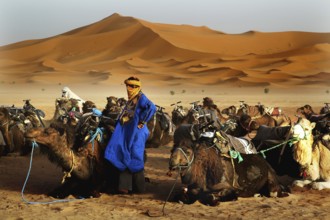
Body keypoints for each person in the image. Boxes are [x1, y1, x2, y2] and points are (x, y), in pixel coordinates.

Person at [104, 76, 156, 194]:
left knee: (134, 157)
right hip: (127, 132)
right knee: (123, 154)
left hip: (136, 134)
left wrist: (143, 121)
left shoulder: (141, 98)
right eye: (127, 86)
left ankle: (139, 188)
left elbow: (151, 107)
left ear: (137, 87)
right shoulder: (131, 99)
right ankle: (125, 187)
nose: (128, 89)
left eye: (131, 86)